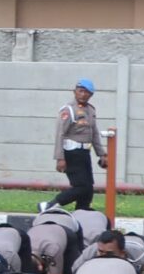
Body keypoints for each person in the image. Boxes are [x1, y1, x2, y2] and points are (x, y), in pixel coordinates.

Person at [42, 79, 105, 213]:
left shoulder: (91, 110)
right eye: (80, 91)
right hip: (71, 152)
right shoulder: (68, 110)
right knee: (81, 187)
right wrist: (60, 158)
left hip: (84, 153)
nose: (83, 95)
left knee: (88, 188)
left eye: (87, 92)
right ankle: (50, 205)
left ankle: (82, 213)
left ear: (91, 95)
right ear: (74, 92)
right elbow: (60, 134)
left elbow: (94, 134)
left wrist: (101, 154)